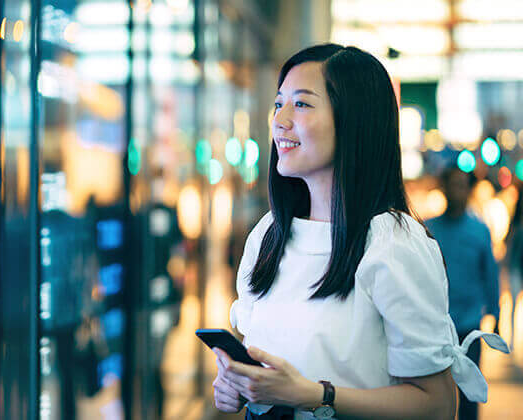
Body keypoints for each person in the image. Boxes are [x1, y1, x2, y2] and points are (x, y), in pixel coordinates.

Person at [212, 43, 509, 420]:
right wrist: (236, 386)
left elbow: (437, 405)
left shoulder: (393, 242)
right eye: (278, 103)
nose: (280, 120)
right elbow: (260, 361)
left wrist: (316, 395)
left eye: (301, 104)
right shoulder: (269, 233)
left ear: (354, 120)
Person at [425, 166, 500, 420]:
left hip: (469, 326)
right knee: (436, 394)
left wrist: (495, 313)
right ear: (443, 188)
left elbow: (490, 274)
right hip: (436, 327)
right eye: (452, 184)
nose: (457, 191)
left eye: (461, 185)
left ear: (468, 190)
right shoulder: (429, 229)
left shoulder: (480, 230)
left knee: (469, 396)